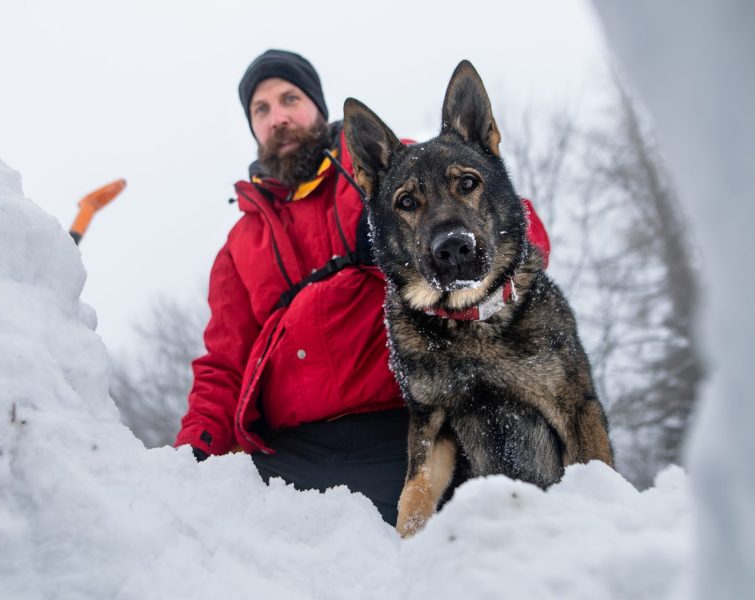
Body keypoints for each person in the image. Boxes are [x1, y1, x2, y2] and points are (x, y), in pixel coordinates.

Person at [175, 49, 550, 525]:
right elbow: (223, 364)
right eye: (261, 110)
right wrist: (192, 454)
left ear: (318, 106)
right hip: (288, 452)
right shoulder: (239, 244)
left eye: (289, 99)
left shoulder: (399, 178)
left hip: (407, 426)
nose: (278, 118)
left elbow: (512, 223)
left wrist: (466, 255)